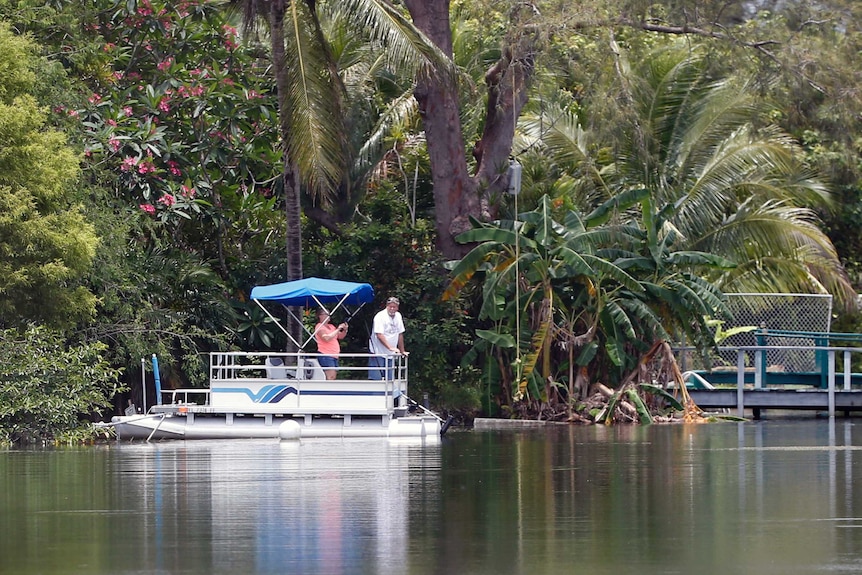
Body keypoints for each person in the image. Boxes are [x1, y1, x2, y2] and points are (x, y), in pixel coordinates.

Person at [369, 296, 407, 380]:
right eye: (390, 306)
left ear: (398, 307)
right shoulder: (380, 316)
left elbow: (400, 333)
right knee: (376, 379)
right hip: (378, 353)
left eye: (394, 306)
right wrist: (390, 347)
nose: (392, 308)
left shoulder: (398, 316)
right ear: (387, 306)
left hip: (391, 355)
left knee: (390, 381)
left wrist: (402, 350)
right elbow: (379, 334)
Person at [314, 308, 348, 380]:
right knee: (330, 376)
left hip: (334, 355)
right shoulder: (319, 326)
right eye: (326, 314)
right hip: (326, 354)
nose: (328, 316)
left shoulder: (331, 326)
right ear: (320, 316)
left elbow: (340, 336)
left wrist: (344, 330)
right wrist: (338, 329)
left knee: (333, 376)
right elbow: (326, 338)